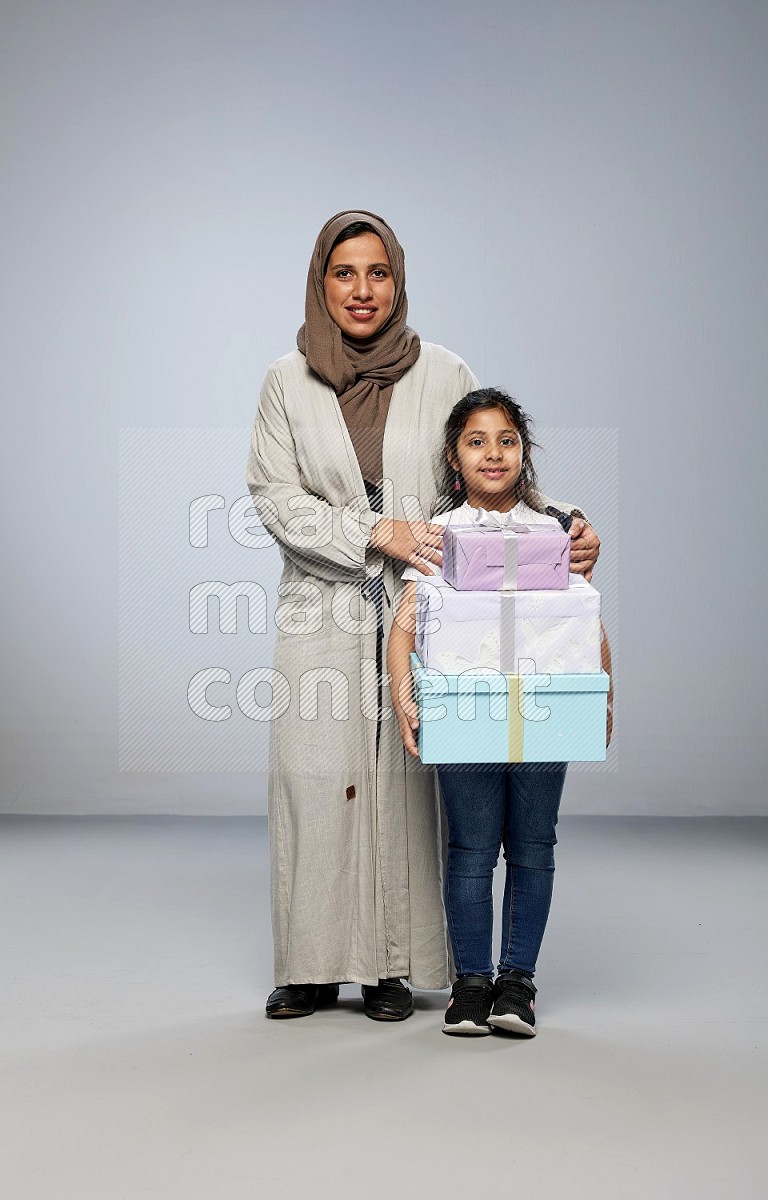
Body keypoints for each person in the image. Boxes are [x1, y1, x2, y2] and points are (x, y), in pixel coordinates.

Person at [246, 210, 601, 1021]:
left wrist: (568, 525)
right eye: (345, 273)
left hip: (431, 606)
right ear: (320, 283)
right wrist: (376, 531)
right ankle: (308, 966)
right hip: (323, 605)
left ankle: (391, 969)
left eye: (379, 273)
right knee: (311, 777)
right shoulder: (284, 381)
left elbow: (487, 473)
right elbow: (274, 495)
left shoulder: (442, 370)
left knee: (407, 786)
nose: (362, 290)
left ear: (399, 282)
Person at [387, 387, 614, 1036]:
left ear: (525, 454)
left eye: (507, 440)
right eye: (476, 441)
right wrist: (404, 690)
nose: (494, 452)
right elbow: (405, 627)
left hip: (543, 709)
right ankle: (472, 985)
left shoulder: (553, 532)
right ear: (455, 460)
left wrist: (603, 686)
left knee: (535, 848)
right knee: (471, 851)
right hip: (467, 713)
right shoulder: (441, 535)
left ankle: (518, 984)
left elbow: (581, 618)